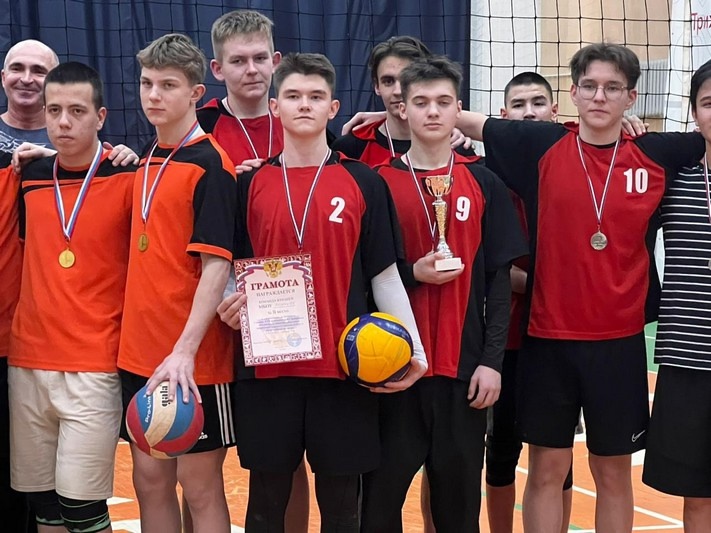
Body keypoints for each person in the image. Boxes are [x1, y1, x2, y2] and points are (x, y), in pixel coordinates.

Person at [451, 42, 704, 533]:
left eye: (612, 88)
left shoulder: (657, 152)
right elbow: (460, 118)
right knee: (547, 468)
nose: (599, 97)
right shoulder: (541, 145)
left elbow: (705, 135)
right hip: (549, 340)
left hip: (619, 344)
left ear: (631, 97)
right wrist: (391, 116)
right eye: (589, 86)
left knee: (612, 473)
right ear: (572, 93)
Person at [216, 52, 427, 532]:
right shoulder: (249, 183)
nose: (304, 105)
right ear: (275, 107)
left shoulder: (364, 181)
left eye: (316, 97)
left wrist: (414, 349)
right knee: (265, 505)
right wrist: (230, 302)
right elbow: (229, 265)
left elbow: (384, 276)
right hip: (267, 371)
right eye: (293, 96)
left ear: (333, 108)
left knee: (342, 507)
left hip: (345, 368)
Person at [357, 55, 525, 533]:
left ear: (458, 109)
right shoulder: (377, 184)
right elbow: (364, 278)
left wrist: (492, 362)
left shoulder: (484, 182)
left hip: (462, 374)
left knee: (458, 513)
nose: (432, 111)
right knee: (378, 510)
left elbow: (499, 282)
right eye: (421, 102)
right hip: (392, 371)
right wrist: (414, 274)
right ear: (402, 108)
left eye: (443, 102)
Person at [116, 33, 237, 533]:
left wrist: (184, 351)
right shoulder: (148, 155)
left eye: (168, 85)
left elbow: (216, 268)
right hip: (139, 353)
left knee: (200, 486)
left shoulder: (213, 166)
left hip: (195, 360)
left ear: (196, 93)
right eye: (147, 83)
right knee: (149, 482)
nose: (153, 95)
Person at [7, 61, 135, 533]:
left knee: (83, 509)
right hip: (27, 360)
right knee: (44, 507)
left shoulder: (128, 176)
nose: (64, 122)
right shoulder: (30, 177)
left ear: (100, 116)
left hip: (93, 364)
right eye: (54, 110)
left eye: (77, 111)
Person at [484, 71, 576, 533]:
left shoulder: (574, 164)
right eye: (518, 105)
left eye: (538, 103)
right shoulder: (485, 176)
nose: (529, 113)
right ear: (502, 116)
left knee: (558, 454)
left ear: (555, 111)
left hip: (558, 337)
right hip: (507, 339)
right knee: (501, 450)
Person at [642, 59, 711, 532]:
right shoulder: (673, 178)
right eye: (708, 103)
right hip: (688, 356)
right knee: (699, 496)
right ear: (693, 112)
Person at [331, 35, 472, 166]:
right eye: (388, 81)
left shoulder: (455, 145)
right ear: (376, 86)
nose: (398, 91)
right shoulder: (351, 148)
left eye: (406, 81)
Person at [198, 10, 283, 170]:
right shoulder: (199, 127)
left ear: (275, 62)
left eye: (260, 58)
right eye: (238, 61)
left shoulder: (297, 120)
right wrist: (227, 181)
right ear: (218, 69)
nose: (252, 70)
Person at [0, 40, 58, 150]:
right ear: (3, 78)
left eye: (39, 71)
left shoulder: (75, 141)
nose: (26, 79)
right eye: (17, 69)